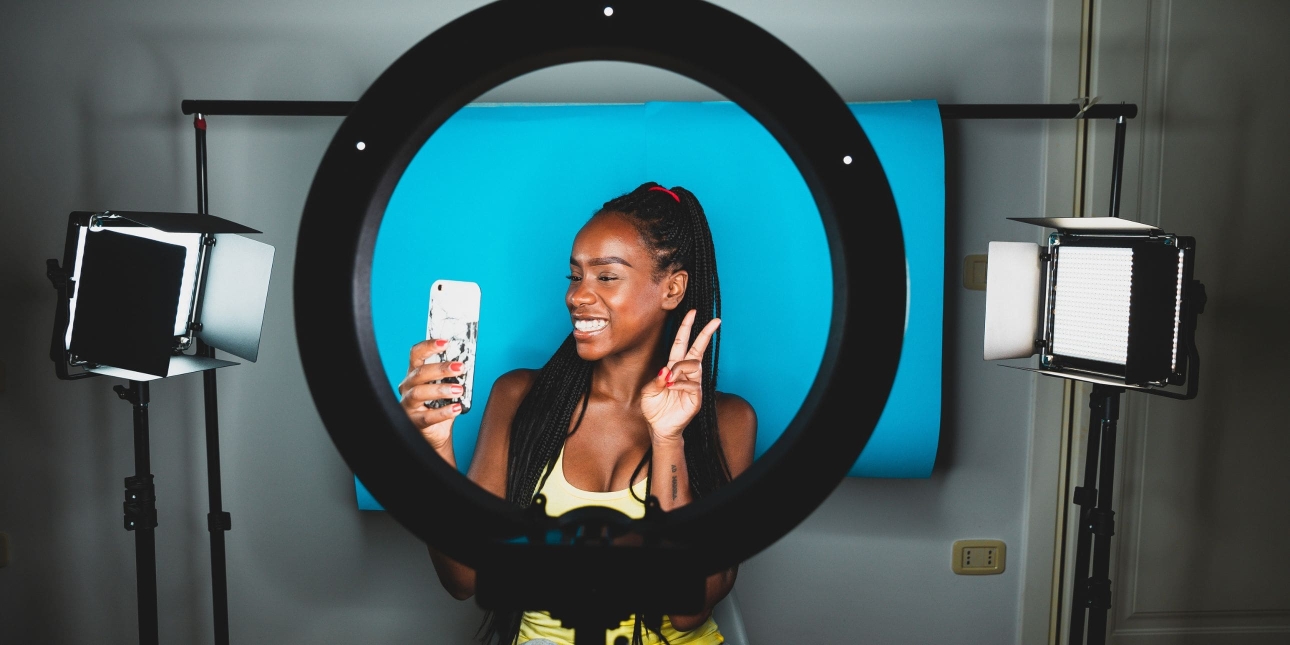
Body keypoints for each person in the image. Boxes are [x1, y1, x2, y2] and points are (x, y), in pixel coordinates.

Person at [399, 182, 757, 645]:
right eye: (575, 276)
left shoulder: (727, 421)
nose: (577, 296)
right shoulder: (518, 396)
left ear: (672, 288)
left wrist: (669, 439)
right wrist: (435, 452)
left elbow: (688, 609)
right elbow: (463, 580)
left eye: (606, 277)